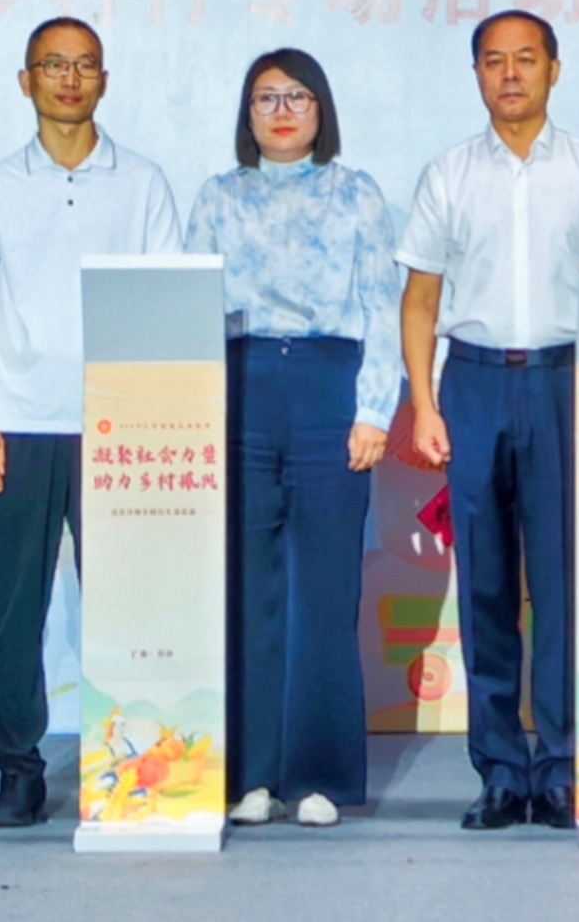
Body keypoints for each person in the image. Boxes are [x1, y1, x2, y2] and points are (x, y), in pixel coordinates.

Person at [397, 10, 579, 830]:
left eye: (525, 59)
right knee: (487, 586)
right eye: (493, 61)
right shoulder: (448, 173)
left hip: (568, 381)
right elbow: (420, 300)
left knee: (566, 587)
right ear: (476, 74)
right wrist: (424, 403)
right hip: (474, 383)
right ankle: (500, 770)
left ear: (553, 70)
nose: (509, 74)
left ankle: (564, 769)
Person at [0, 17, 185, 829]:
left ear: (104, 80)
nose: (69, 79)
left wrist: (156, 422)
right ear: (26, 81)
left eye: (85, 65)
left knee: (127, 603)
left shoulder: (143, 183)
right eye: (53, 65)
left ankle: (128, 763)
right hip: (19, 422)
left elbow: (163, 306)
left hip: (117, 424)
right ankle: (18, 769)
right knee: (16, 607)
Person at [186, 47, 400, 827]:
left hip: (328, 387)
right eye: (266, 98)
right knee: (248, 588)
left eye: (298, 96)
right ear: (246, 114)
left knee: (324, 589)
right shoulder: (218, 197)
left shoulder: (357, 194)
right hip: (241, 387)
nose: (281, 111)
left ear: (322, 110)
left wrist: (374, 410)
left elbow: (383, 305)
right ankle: (250, 775)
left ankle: (319, 776)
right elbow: (191, 309)